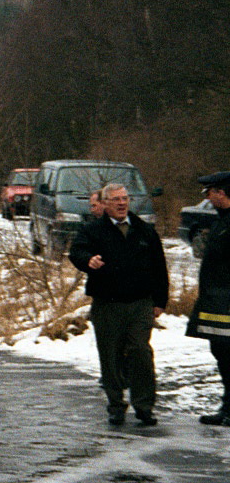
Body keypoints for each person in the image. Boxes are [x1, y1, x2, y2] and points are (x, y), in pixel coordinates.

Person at [68, 182, 169, 425]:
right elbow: (76, 252)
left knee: (140, 351)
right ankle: (115, 404)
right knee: (110, 354)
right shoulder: (93, 230)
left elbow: (159, 266)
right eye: (116, 199)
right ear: (104, 204)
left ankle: (144, 406)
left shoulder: (144, 230)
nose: (122, 203)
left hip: (140, 303)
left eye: (125, 198)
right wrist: (88, 260)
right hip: (108, 304)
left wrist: (160, 300)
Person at [188, 171, 230, 426]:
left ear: (221, 193)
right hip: (217, 300)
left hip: (225, 301)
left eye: (209, 193)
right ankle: (227, 408)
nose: (207, 198)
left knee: (226, 352)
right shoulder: (222, 220)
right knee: (222, 352)